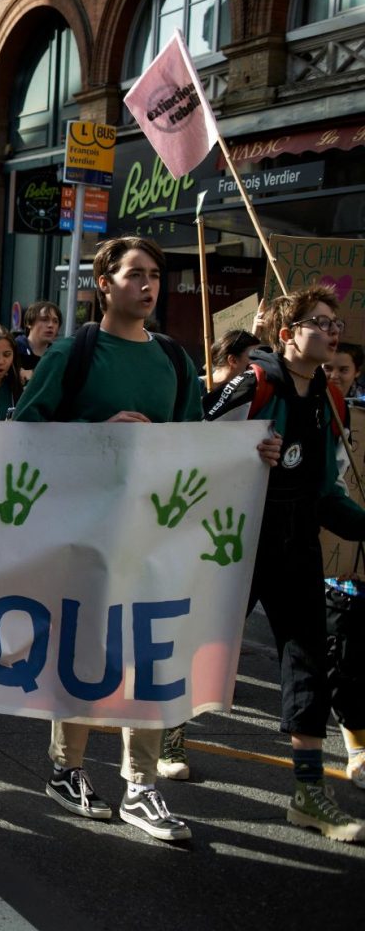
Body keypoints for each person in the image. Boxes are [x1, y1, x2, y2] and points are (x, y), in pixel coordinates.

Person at [13, 236, 214, 842]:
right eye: (134, 274)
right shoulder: (73, 355)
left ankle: (141, 786)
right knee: (84, 649)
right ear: (103, 282)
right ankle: (66, 768)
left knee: (148, 650)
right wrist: (96, 430)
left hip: (153, 531)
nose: (147, 286)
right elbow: (23, 434)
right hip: (81, 530)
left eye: (155, 274)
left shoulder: (176, 361)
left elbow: (197, 444)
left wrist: (250, 455)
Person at [204, 284, 365, 841]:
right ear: (287, 333)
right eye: (318, 321)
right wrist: (243, 452)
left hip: (298, 541)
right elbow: (191, 443)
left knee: (306, 659)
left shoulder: (332, 398)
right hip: (238, 536)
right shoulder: (256, 380)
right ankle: (167, 735)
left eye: (334, 322)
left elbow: (326, 490)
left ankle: (307, 794)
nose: (331, 330)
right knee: (208, 640)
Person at [13, 301, 62, 375]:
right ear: (29, 323)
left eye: (55, 321)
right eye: (45, 320)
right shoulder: (14, 349)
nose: (51, 325)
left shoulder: (58, 356)